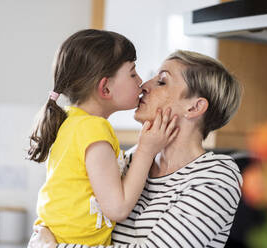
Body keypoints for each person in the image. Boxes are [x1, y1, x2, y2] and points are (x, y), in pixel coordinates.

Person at [29, 50, 243, 248]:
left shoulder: (215, 177)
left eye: (162, 81)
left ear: (194, 107)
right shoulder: (129, 161)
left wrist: (55, 247)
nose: (144, 86)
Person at [27, 29, 178, 246]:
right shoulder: (94, 129)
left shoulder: (72, 120)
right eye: (132, 73)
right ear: (105, 88)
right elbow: (118, 208)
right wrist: (147, 150)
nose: (141, 81)